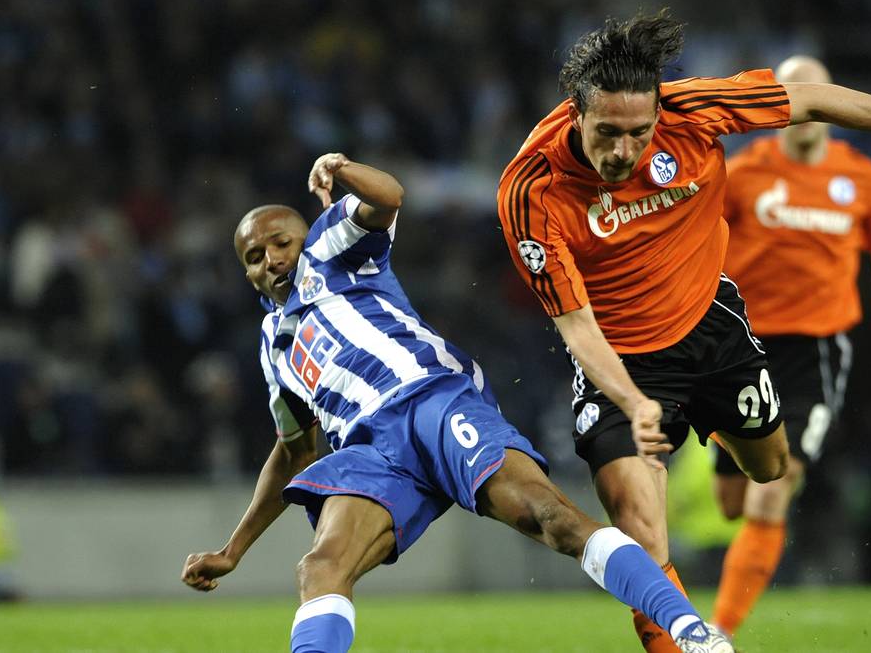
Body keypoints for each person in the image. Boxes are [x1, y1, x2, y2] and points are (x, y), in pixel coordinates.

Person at [497, 10, 871, 652]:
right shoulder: (531, 187)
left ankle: (720, 436)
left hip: (711, 331)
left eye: (639, 133)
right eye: (607, 133)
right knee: (640, 532)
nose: (624, 152)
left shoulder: (696, 110)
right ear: (575, 112)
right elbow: (576, 327)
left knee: (771, 470)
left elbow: (813, 100)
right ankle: (692, 640)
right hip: (618, 359)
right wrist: (633, 402)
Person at [180, 153, 735, 653]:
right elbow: (293, 451)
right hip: (373, 453)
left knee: (554, 521)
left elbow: (388, 196)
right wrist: (234, 550)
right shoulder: (273, 348)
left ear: (303, 238)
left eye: (281, 242)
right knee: (321, 567)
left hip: (432, 401)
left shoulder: (331, 251)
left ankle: (690, 632)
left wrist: (341, 168)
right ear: (246, 272)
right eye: (255, 255)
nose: (272, 259)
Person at [707, 55, 871, 637]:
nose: (804, 103)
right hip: (739, 348)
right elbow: (696, 240)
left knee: (776, 484)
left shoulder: (863, 179)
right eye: (791, 91)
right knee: (731, 501)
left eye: (813, 91)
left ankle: (717, 634)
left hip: (815, 350)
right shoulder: (743, 174)